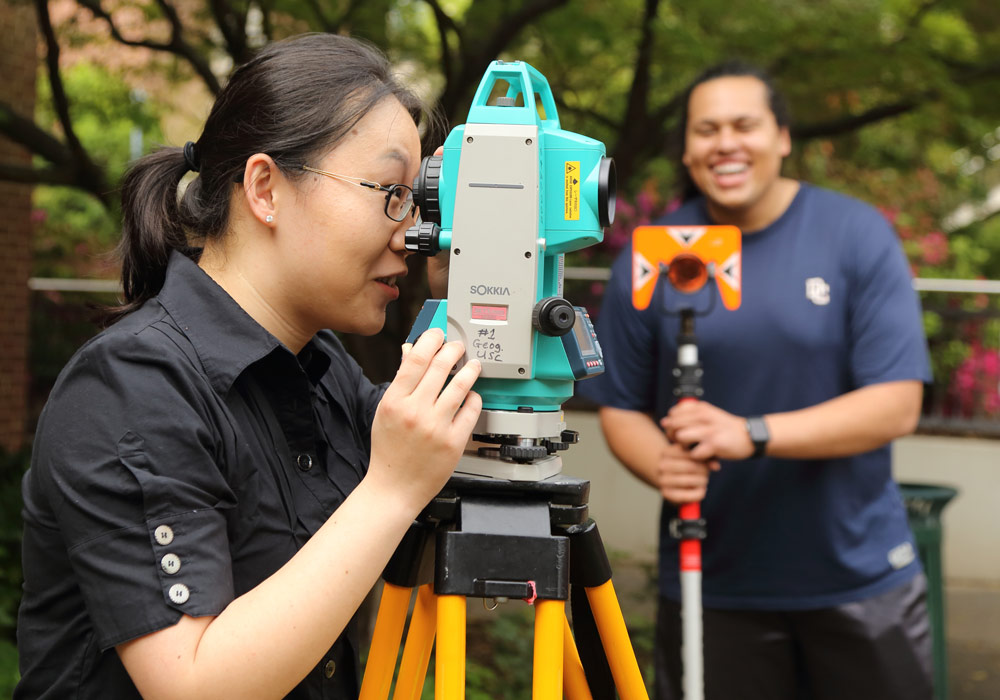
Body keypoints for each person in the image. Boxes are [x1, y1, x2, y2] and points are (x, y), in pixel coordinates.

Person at [15, 33, 483, 700]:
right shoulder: (132, 386)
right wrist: (390, 490)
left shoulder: (320, 369)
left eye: (417, 201)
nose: (411, 230)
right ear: (265, 188)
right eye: (390, 193)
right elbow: (193, 683)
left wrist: (477, 289)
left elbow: (438, 453)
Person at [578, 60, 934, 700]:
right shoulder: (656, 251)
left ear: (782, 136)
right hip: (713, 582)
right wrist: (661, 464)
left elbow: (897, 403)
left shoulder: (855, 235)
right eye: (706, 129)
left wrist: (754, 433)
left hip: (859, 578)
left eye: (745, 124)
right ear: (687, 150)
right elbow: (621, 405)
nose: (725, 143)